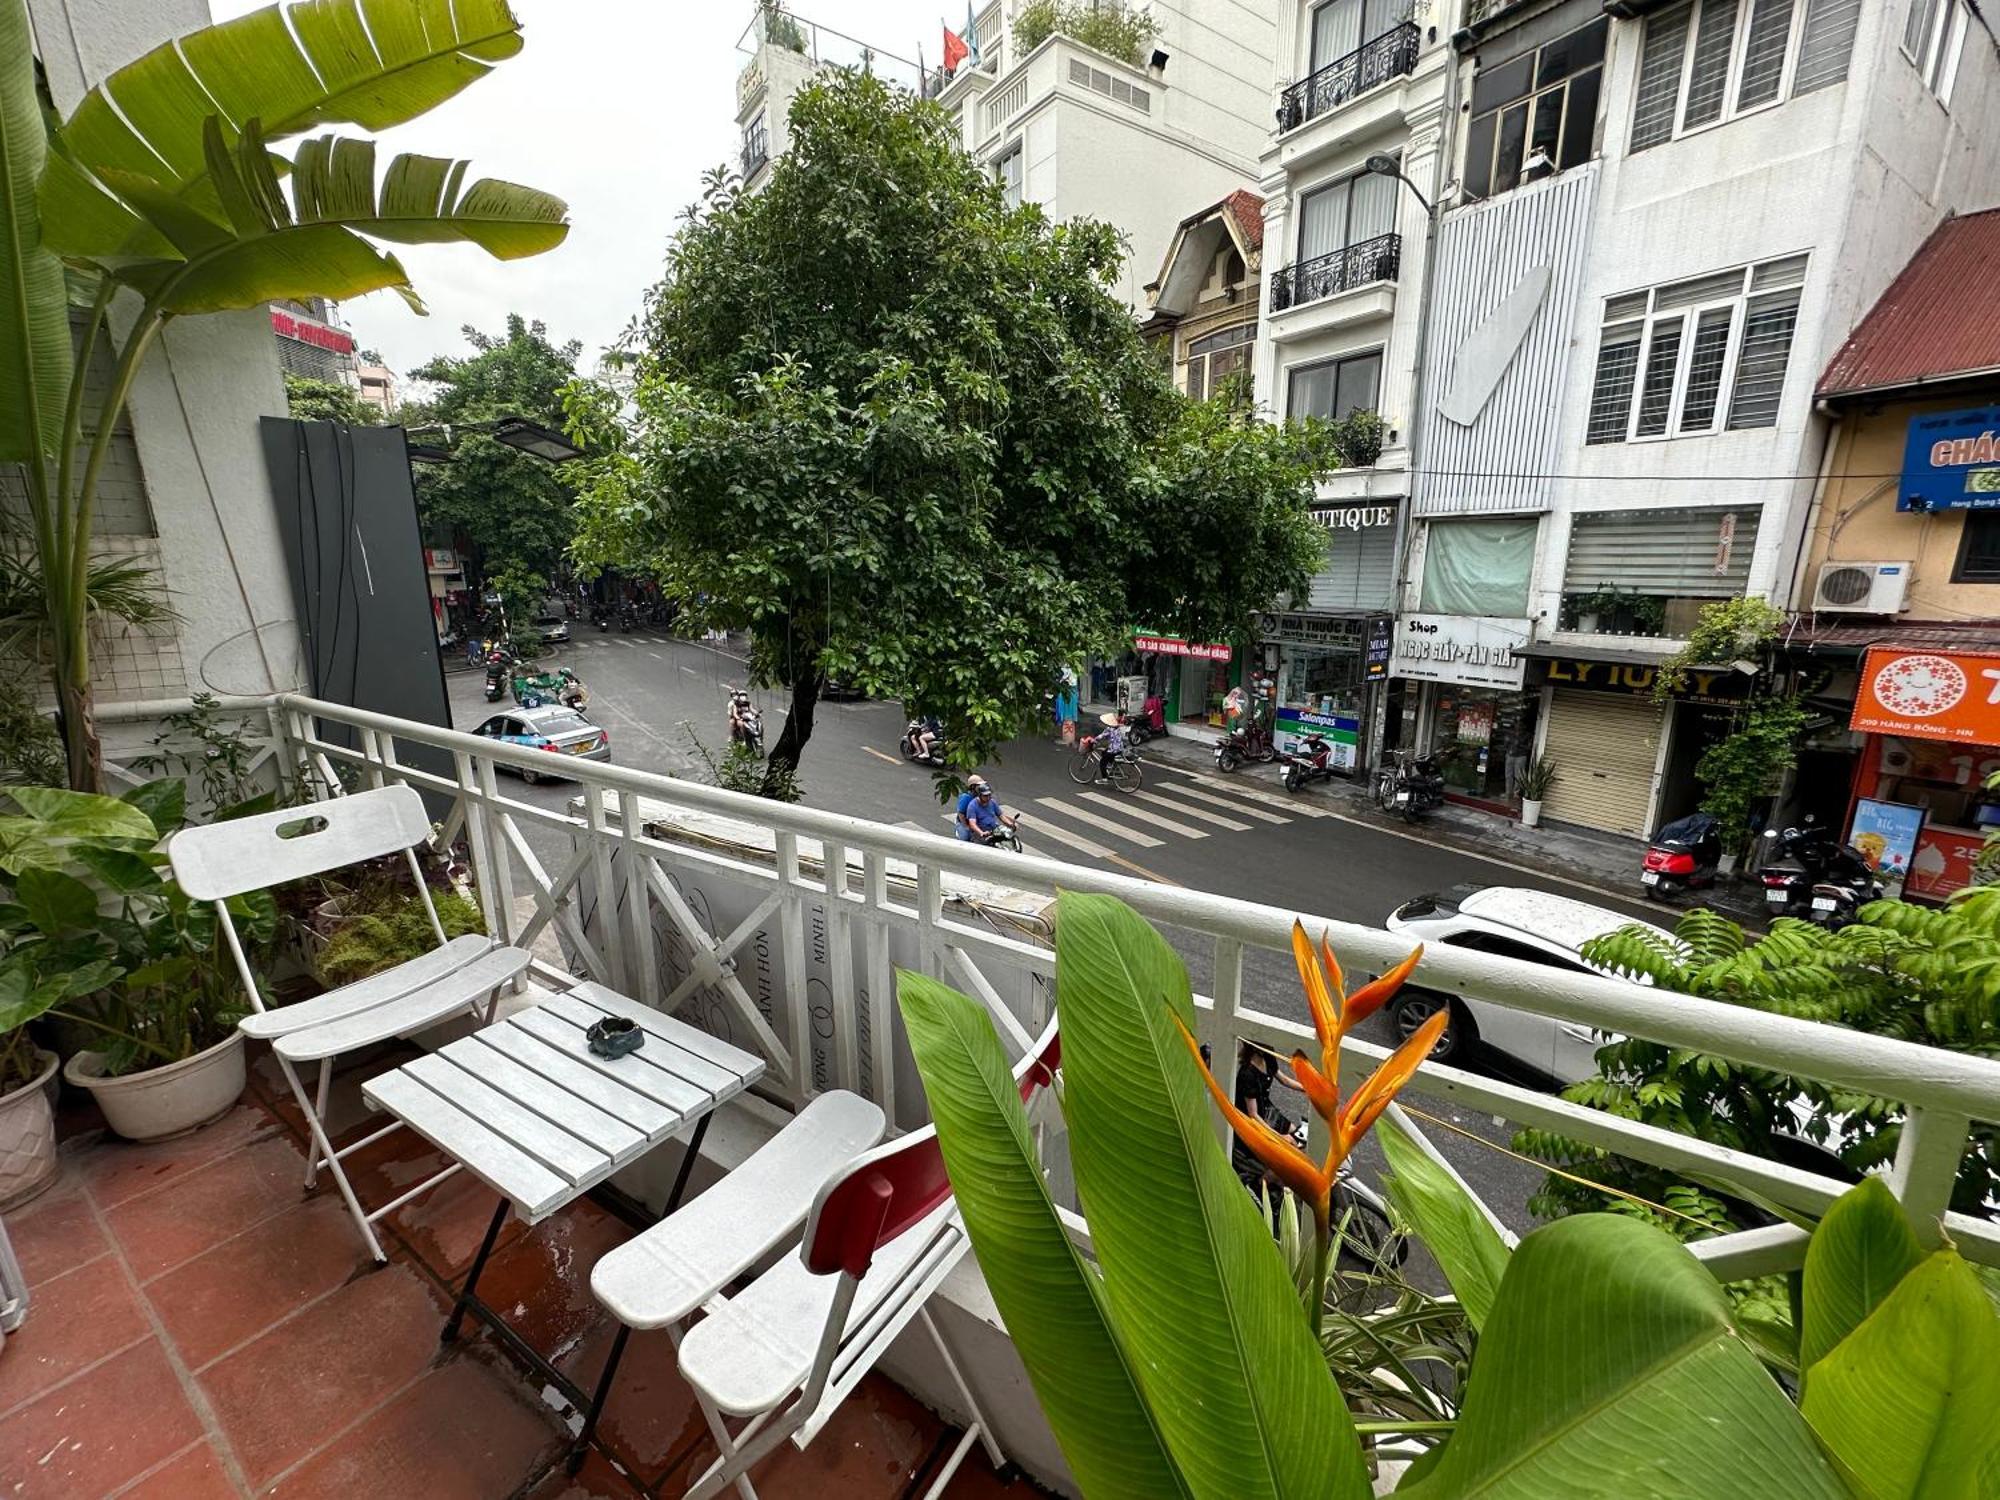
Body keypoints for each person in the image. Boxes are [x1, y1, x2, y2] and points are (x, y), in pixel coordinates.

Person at [1231, 1043, 1299, 1193]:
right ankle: (1260, 1186)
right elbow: (1253, 1115)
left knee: (1300, 1138)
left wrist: (1307, 1088)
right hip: (1254, 1122)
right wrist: (1280, 1137)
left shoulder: (1268, 1057)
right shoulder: (1247, 1073)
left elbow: (1284, 1080)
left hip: (1268, 1112)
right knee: (1283, 1157)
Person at [954, 775, 1019, 844]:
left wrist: (1010, 823)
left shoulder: (990, 800)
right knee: (966, 837)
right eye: (979, 785)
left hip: (983, 823)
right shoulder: (968, 800)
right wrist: (967, 827)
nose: (988, 797)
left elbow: (999, 814)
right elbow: (961, 814)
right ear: (973, 787)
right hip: (965, 821)